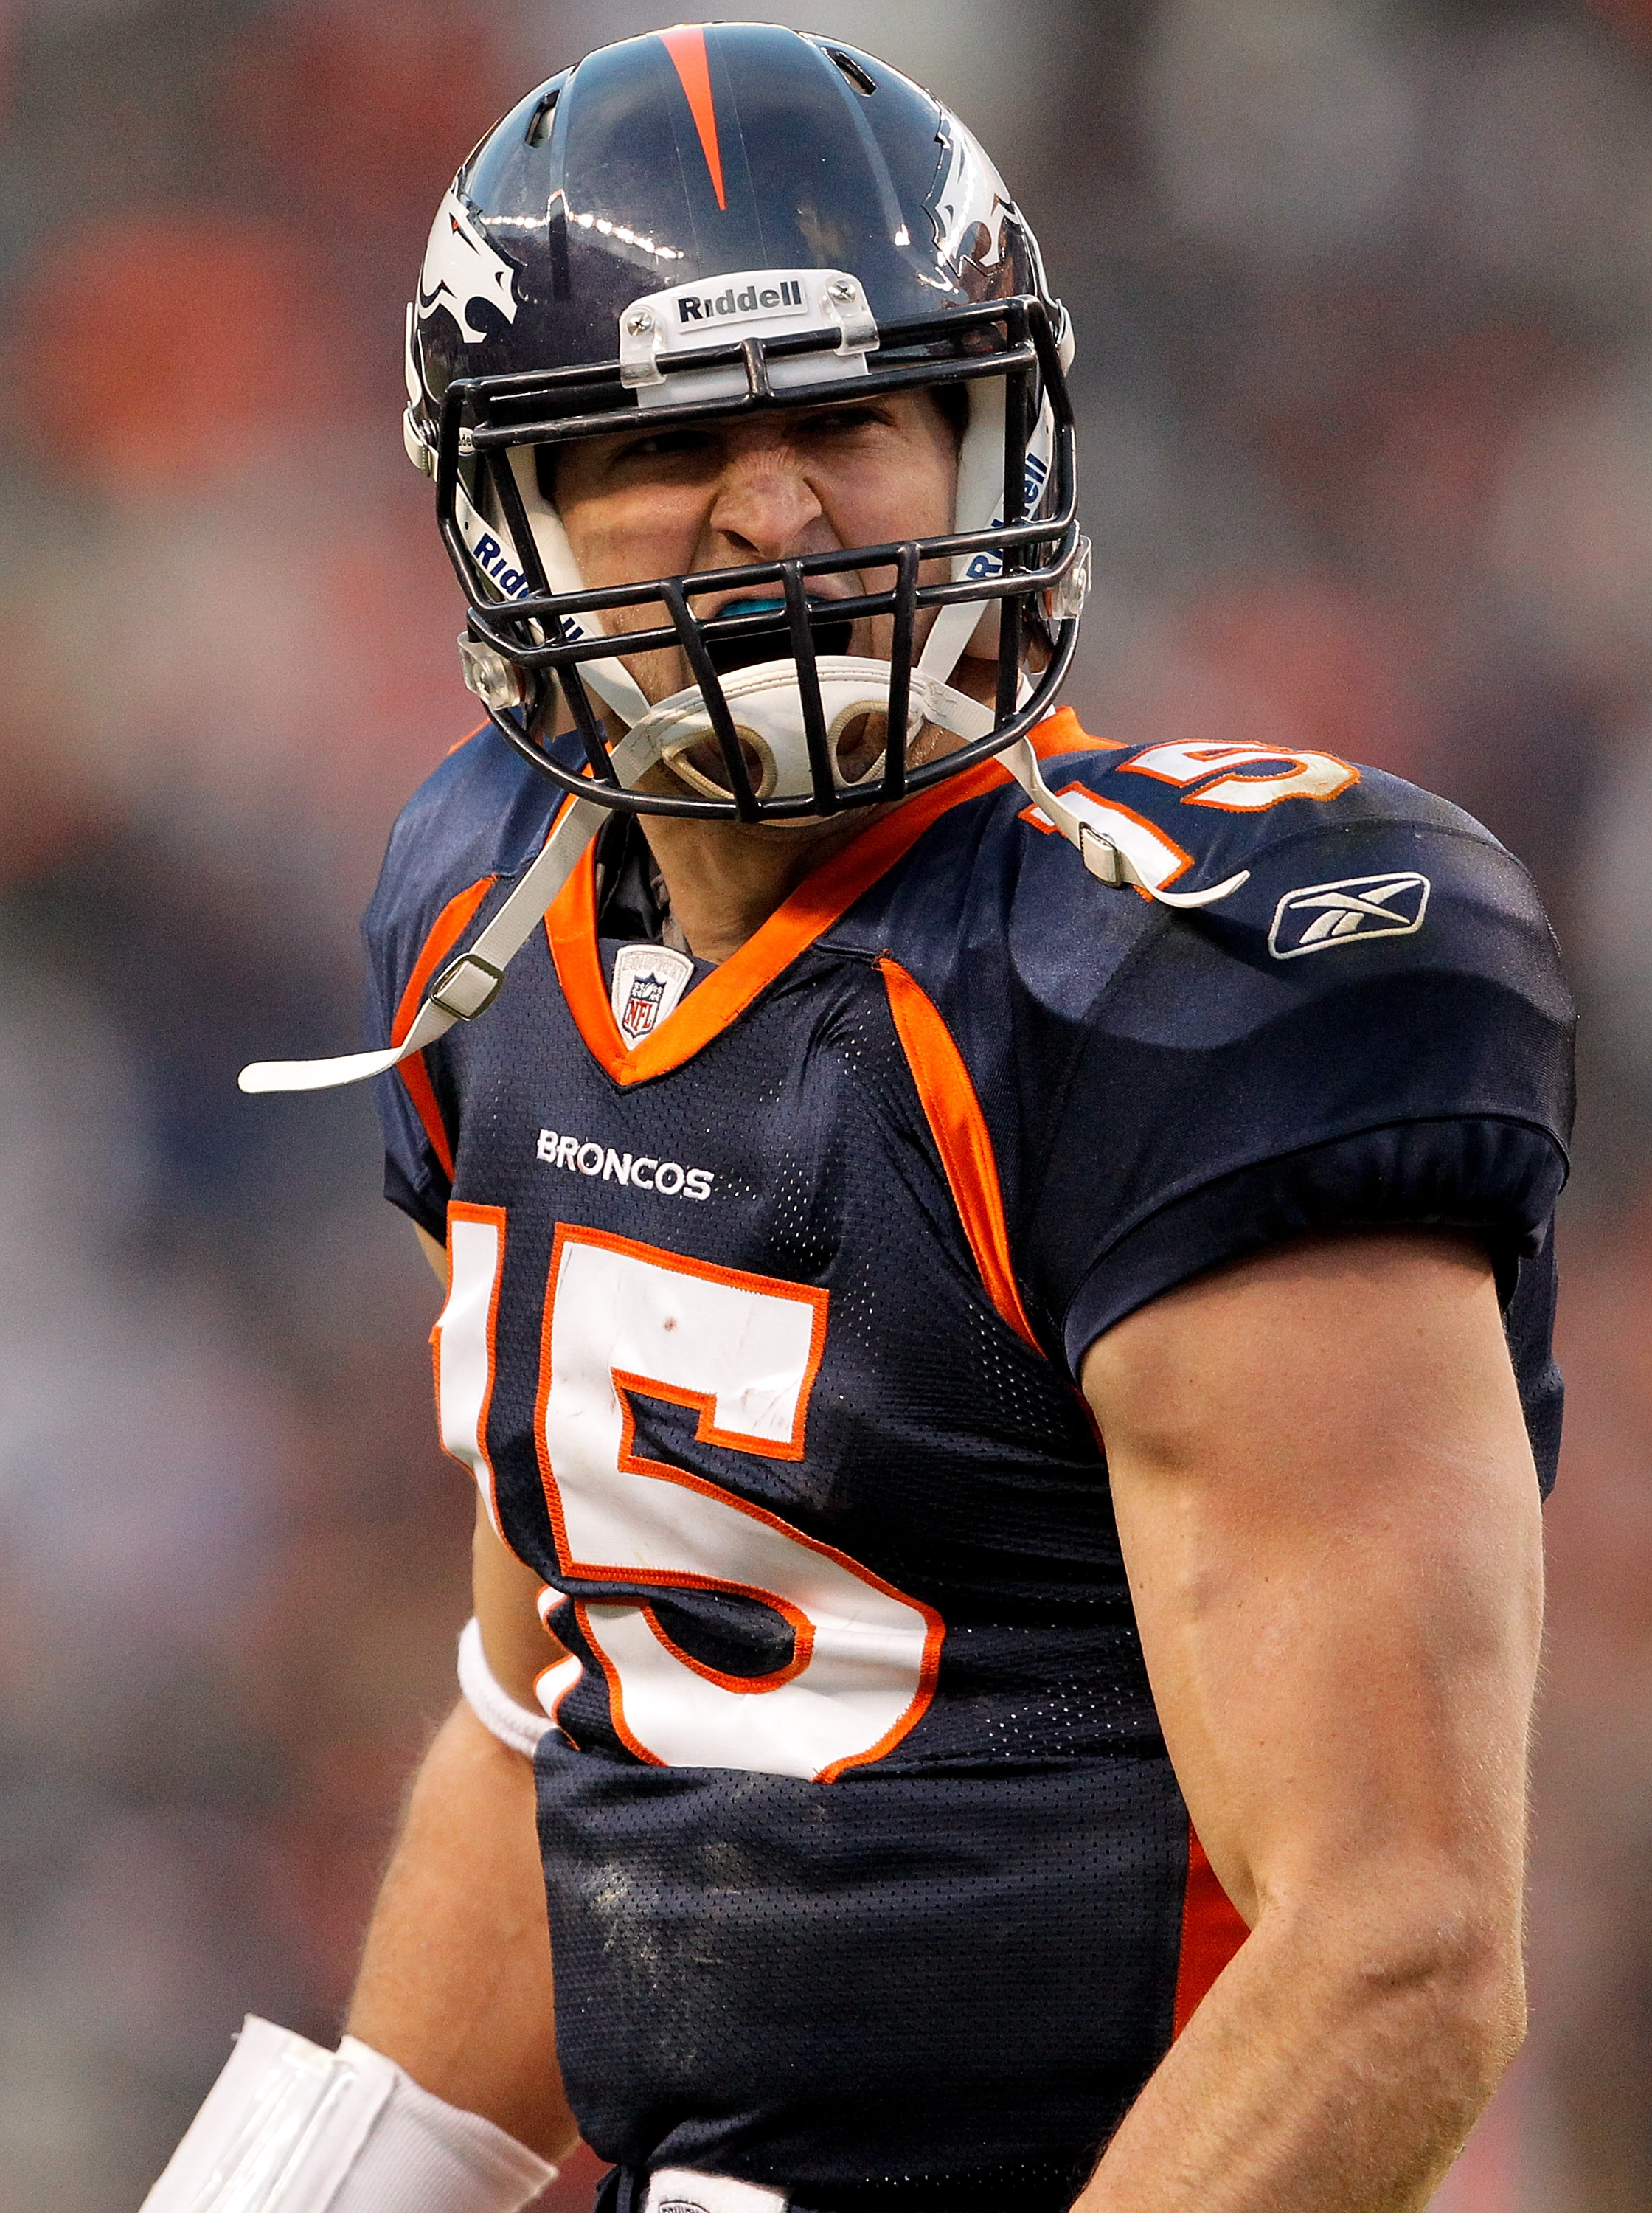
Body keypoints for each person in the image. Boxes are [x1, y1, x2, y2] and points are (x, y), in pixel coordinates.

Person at [143, 23, 1573, 2213]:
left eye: (851, 419)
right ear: (503, 507)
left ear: (992, 438)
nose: (782, 514)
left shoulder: (1179, 989)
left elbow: (1397, 1951)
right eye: (668, 444)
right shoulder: (491, 913)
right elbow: (569, 1714)